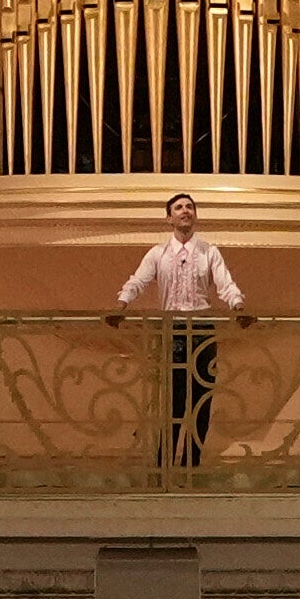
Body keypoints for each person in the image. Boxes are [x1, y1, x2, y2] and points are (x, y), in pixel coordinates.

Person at [114, 189, 242, 466]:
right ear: (168, 219)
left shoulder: (209, 251)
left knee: (202, 399)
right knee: (173, 400)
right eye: (179, 208)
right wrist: (121, 305)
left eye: (189, 207)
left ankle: (192, 463)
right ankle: (165, 465)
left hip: (202, 328)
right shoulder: (158, 253)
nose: (186, 211)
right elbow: (138, 281)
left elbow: (225, 284)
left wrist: (238, 306)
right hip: (172, 330)